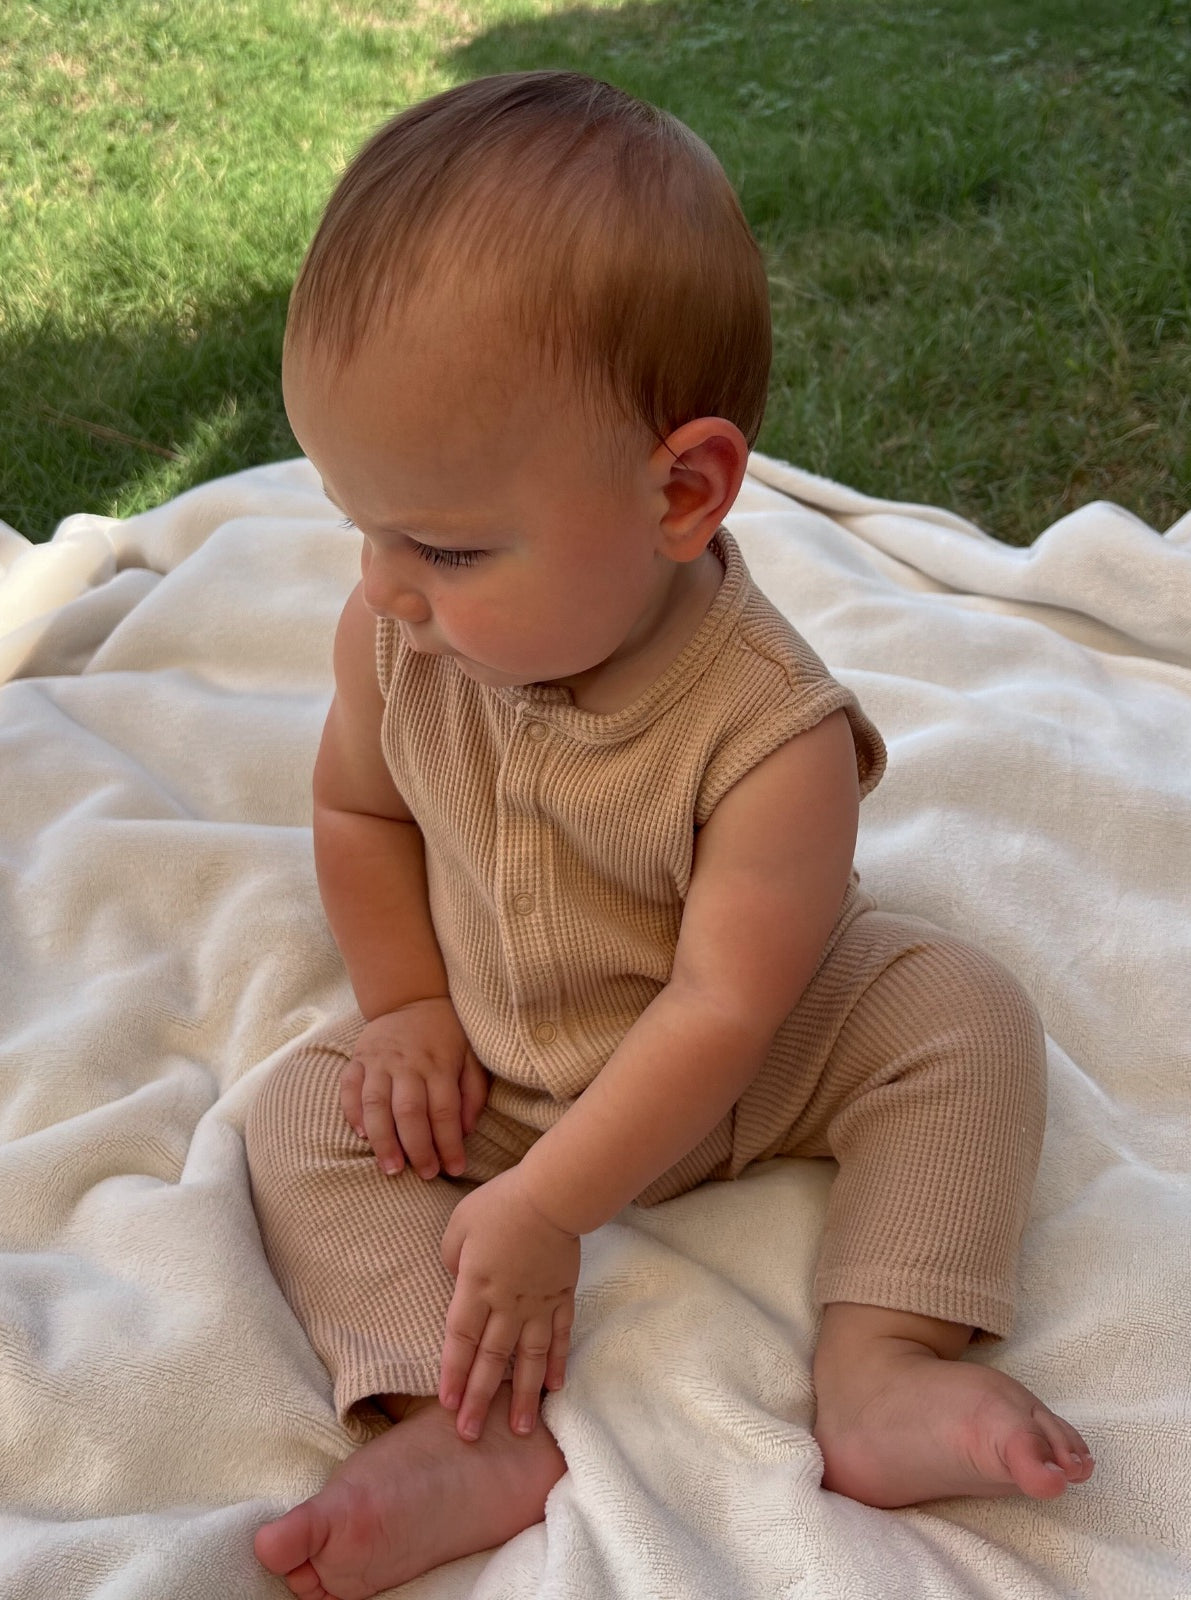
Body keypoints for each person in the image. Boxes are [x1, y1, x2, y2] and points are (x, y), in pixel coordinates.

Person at [245, 69, 1094, 1598]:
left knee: (965, 1018)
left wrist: (551, 1206)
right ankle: (456, 1418)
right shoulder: (396, 643)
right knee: (301, 1116)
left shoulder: (771, 733)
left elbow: (726, 1004)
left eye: (441, 542)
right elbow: (354, 806)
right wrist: (409, 1008)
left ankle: (884, 1358)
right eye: (355, 521)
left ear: (682, 492)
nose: (386, 584)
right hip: (506, 1060)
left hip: (752, 1062)